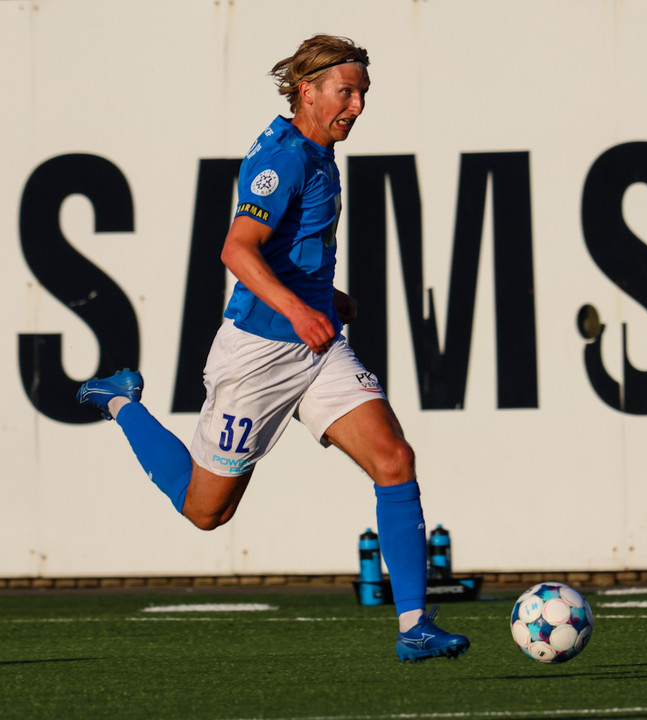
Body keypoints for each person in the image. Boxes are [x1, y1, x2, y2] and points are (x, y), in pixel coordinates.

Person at [76, 34, 469, 663]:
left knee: (394, 459)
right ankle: (120, 400)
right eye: (347, 92)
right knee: (207, 512)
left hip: (317, 347)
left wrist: (324, 297)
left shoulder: (317, 150)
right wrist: (297, 308)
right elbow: (236, 250)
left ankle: (415, 625)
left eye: (363, 93)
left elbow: (290, 248)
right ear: (307, 91)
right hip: (258, 354)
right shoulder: (285, 159)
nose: (358, 106)